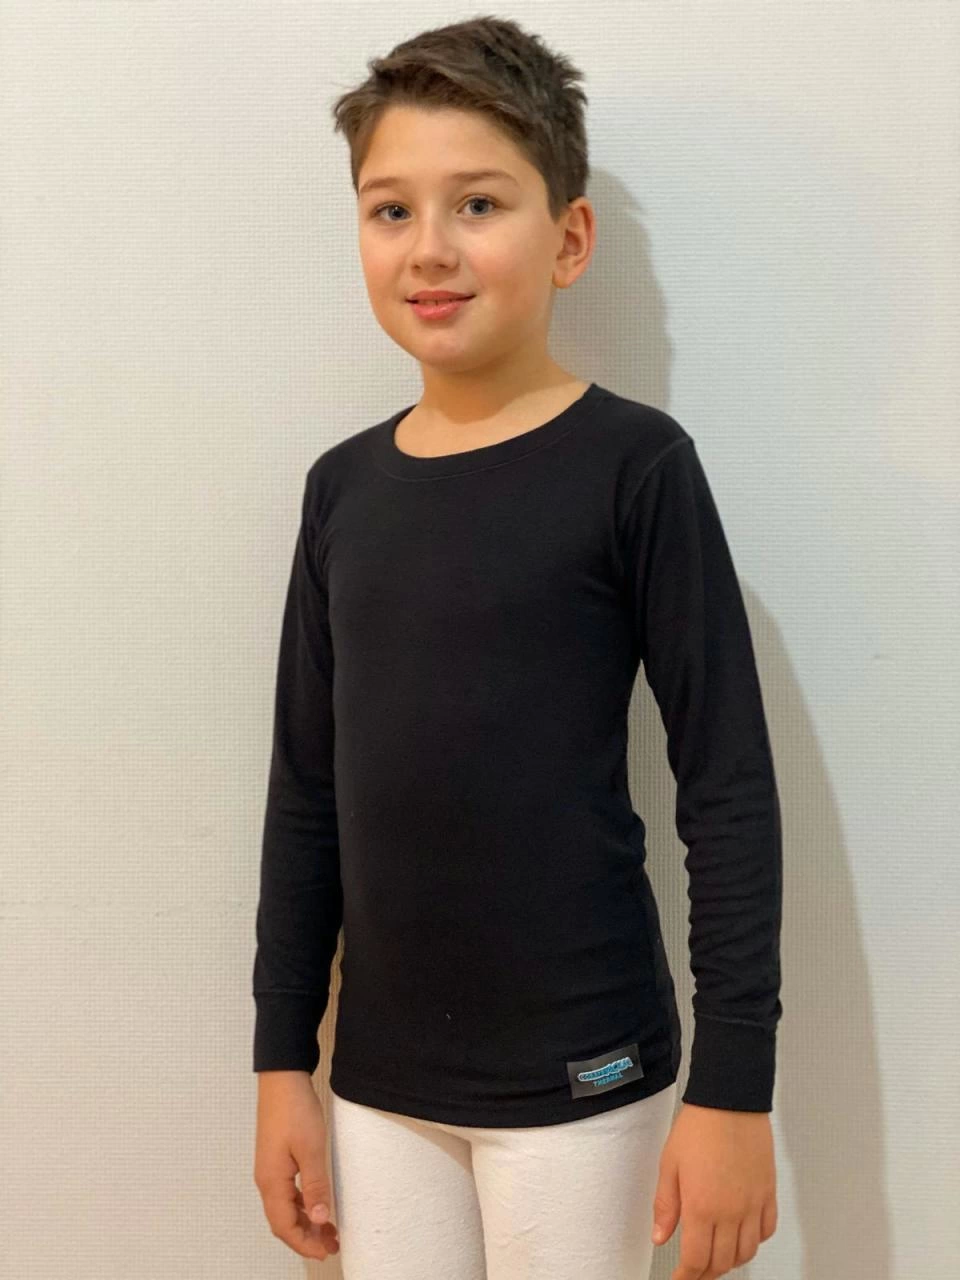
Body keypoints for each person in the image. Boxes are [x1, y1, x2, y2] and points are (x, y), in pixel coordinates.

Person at [252, 15, 782, 1279]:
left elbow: (727, 784)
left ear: (570, 238)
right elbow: (306, 790)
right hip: (380, 1081)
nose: (430, 247)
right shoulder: (341, 491)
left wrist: (735, 1086)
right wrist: (281, 1063)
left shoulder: (636, 467)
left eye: (478, 203)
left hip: (584, 1069)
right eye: (391, 210)